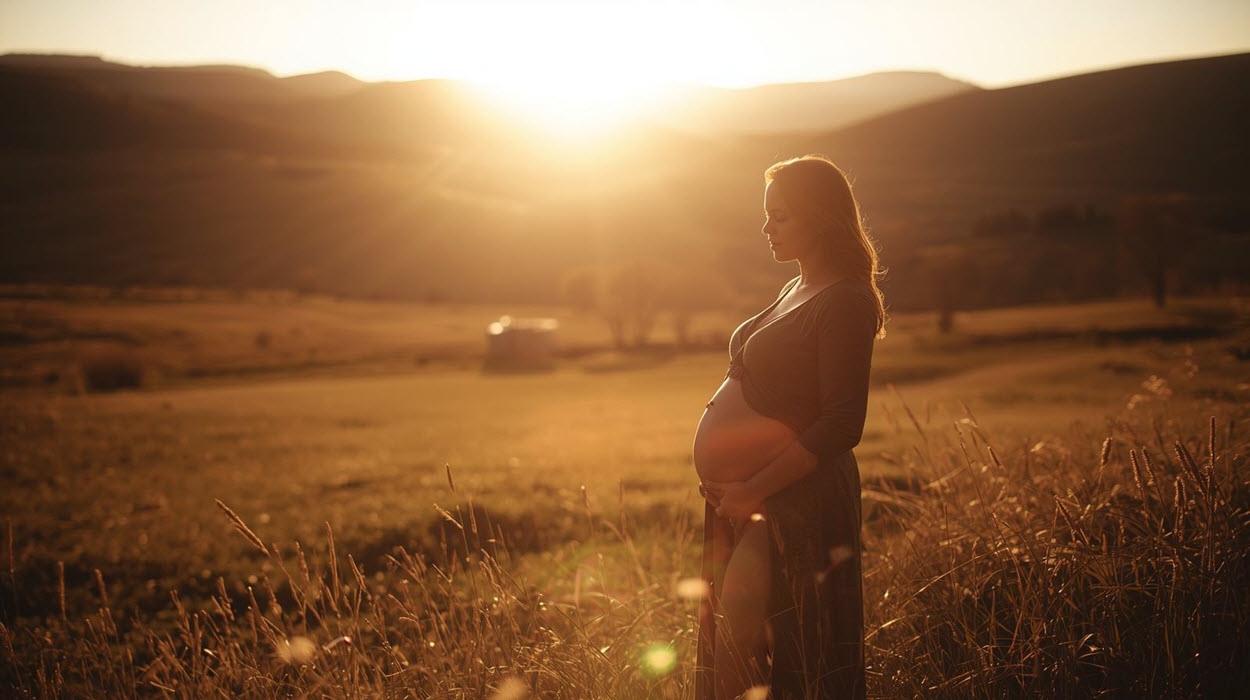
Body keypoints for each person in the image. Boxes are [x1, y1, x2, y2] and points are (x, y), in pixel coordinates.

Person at [691, 154, 886, 699]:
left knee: (758, 636)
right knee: (740, 640)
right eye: (766, 215)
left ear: (820, 217)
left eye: (780, 216)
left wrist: (753, 487)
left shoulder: (845, 298)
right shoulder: (795, 288)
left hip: (793, 496)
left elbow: (843, 422)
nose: (766, 227)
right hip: (749, 498)